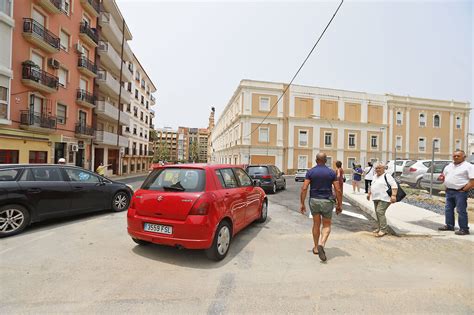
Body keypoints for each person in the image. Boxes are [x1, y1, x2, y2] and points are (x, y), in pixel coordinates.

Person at [300, 153, 342, 262]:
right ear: (326, 160)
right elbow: (337, 190)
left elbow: (304, 188)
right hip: (327, 201)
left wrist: (302, 203)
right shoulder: (331, 172)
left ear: (316, 160)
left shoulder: (311, 172)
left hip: (314, 200)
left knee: (316, 224)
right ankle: (322, 244)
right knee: (326, 224)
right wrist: (339, 204)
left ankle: (315, 247)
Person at [438, 150, 474, 235]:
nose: (456, 157)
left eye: (458, 156)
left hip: (460, 192)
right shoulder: (449, 166)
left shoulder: (469, 166)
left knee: (461, 210)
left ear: (464, 157)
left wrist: (464, 189)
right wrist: (446, 185)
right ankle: (449, 226)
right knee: (448, 209)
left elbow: (472, 180)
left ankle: (464, 229)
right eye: (454, 156)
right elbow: (444, 176)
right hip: (449, 191)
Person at [366, 162, 397, 237]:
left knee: (380, 211)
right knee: (377, 213)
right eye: (376, 168)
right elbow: (372, 185)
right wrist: (369, 193)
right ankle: (380, 228)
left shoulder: (387, 176)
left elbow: (394, 186)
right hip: (376, 197)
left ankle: (383, 230)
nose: (378, 169)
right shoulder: (374, 176)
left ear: (384, 169)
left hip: (384, 198)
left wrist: (393, 195)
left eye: (379, 168)